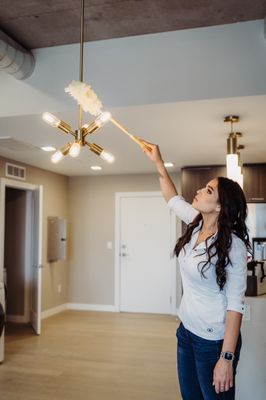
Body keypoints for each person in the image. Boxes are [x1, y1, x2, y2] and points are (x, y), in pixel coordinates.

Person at [141, 140, 250, 400]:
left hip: (213, 343)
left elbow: (236, 306)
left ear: (221, 206)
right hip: (186, 332)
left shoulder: (232, 245)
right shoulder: (195, 224)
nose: (200, 190)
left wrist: (226, 358)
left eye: (209, 190)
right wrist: (158, 160)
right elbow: (171, 197)